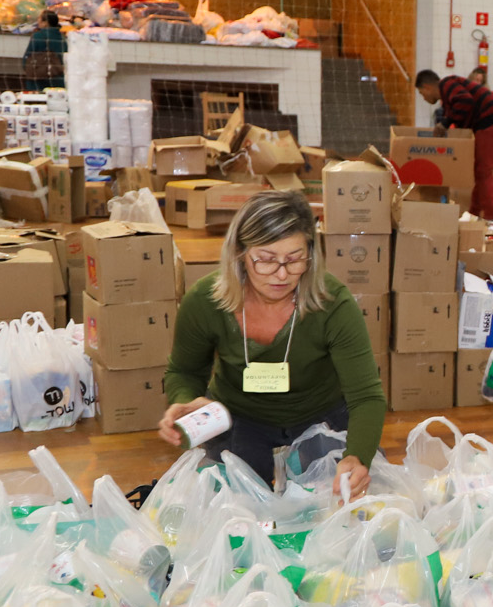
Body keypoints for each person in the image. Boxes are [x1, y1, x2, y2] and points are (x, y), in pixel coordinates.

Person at [159, 190, 384, 497]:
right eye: (265, 260)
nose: (281, 274)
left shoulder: (333, 303)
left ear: (311, 254)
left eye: (294, 260)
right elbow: (184, 372)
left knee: (347, 500)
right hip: (238, 416)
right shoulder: (205, 301)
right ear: (240, 252)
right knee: (234, 506)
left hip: (321, 414)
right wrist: (184, 400)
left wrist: (357, 457)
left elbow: (366, 396)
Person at [414, 66, 493, 220]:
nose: (424, 98)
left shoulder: (447, 84)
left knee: (483, 171)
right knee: (479, 171)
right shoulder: (447, 100)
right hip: (492, 123)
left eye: (422, 94)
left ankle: (490, 218)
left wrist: (445, 124)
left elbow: (465, 101)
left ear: (426, 87)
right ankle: (474, 214)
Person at [22, 11, 67, 88]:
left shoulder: (37, 36)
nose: (38, 21)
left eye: (39, 19)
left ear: (45, 22)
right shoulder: (63, 38)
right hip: (58, 80)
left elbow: (27, 57)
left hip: (37, 80)